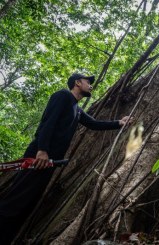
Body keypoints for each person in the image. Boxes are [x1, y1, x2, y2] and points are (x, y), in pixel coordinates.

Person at [0, 73, 133, 244]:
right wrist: (42, 150)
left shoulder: (76, 109)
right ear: (77, 83)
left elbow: (93, 123)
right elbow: (48, 122)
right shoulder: (62, 96)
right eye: (87, 82)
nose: (91, 85)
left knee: (28, 200)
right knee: (17, 197)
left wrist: (118, 123)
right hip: (38, 158)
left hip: (49, 163)